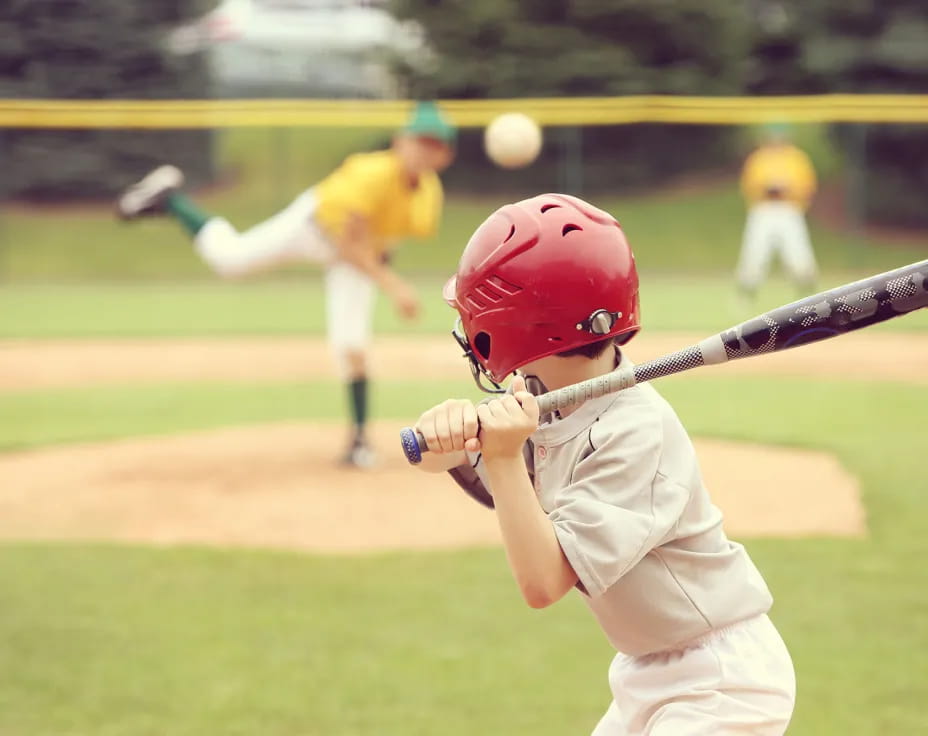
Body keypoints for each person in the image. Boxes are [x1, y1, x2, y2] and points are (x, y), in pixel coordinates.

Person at [412, 194, 795, 735]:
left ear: (521, 325)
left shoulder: (636, 433)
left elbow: (543, 582)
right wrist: (446, 438)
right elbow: (461, 465)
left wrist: (499, 457)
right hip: (646, 670)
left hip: (720, 681)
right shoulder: (544, 397)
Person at [116, 101, 456, 468]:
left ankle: (358, 443)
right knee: (230, 259)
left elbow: (385, 240)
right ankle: (171, 200)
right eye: (419, 141)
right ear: (399, 141)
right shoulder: (371, 173)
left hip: (356, 257)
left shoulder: (428, 196)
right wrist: (393, 286)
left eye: (434, 145)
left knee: (353, 345)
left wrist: (383, 272)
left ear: (444, 155)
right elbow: (348, 243)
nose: (424, 150)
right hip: (314, 228)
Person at [735, 122, 818, 306]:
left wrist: (788, 188)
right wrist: (767, 187)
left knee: (799, 255)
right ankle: (746, 296)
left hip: (789, 209)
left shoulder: (797, 158)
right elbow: (749, 185)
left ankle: (809, 297)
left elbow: (807, 186)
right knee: (754, 254)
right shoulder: (758, 158)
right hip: (763, 210)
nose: (776, 141)